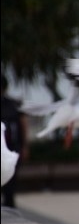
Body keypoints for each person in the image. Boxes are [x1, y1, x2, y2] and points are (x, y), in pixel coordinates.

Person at [1, 75, 29, 207]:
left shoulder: (14, 105)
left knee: (10, 182)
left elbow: (23, 125)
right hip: (8, 149)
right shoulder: (14, 104)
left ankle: (9, 205)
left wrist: (24, 146)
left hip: (12, 148)